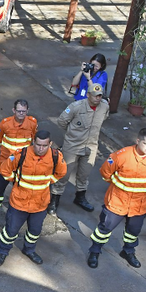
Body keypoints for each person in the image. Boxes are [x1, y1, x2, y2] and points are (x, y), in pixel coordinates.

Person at [87, 127, 146, 269]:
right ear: (138, 141)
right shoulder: (121, 156)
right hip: (117, 202)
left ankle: (128, 252)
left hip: (140, 205)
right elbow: (105, 172)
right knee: (104, 229)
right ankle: (94, 251)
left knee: (133, 232)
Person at [0, 131, 67, 266]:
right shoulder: (21, 154)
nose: (40, 148)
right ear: (33, 142)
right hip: (19, 202)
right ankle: (3, 251)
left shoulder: (55, 156)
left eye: (44, 145)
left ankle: (29, 250)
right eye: (38, 144)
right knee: (10, 230)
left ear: (50, 144)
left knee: (34, 231)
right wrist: (16, 180)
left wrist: (50, 180)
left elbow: (62, 172)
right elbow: (4, 169)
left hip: (40, 204)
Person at [48, 83, 109, 215]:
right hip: (73, 145)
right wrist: (72, 135)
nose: (98, 98)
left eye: (100, 96)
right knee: (64, 172)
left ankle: (80, 197)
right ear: (88, 95)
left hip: (91, 145)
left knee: (84, 173)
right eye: (95, 96)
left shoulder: (104, 106)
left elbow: (104, 117)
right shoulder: (76, 107)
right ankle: (55, 198)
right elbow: (61, 121)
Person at [0, 99, 38, 219]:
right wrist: (6, 151)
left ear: (27, 111)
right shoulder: (5, 124)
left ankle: (16, 211)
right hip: (5, 163)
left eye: (24, 111)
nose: (21, 114)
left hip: (22, 164)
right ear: (13, 110)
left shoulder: (32, 123)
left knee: (20, 190)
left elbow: (34, 139)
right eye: (19, 111)